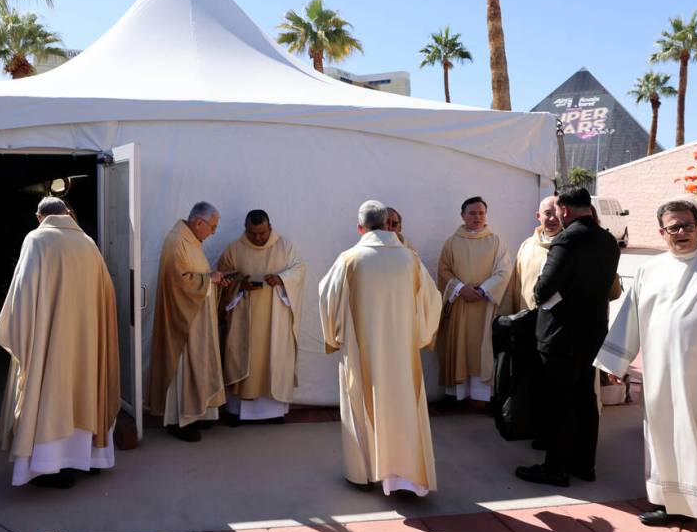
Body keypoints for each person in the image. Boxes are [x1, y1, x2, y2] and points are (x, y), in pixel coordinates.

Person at [595, 200, 697, 532]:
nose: (682, 232)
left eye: (688, 225)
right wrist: (617, 360)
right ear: (662, 232)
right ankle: (676, 505)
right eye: (674, 227)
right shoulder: (648, 270)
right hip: (663, 377)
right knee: (666, 437)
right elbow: (630, 318)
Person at [0, 197, 120, 489]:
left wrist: (23, 332)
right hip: (87, 343)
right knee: (84, 391)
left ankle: (50, 465)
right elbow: (107, 293)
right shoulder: (88, 243)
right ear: (67, 213)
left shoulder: (37, 239)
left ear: (39, 216)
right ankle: (89, 458)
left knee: (49, 392)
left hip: (51, 343)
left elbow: (23, 293)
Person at [319, 200, 442, 494]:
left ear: (360, 227)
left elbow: (327, 297)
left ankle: (364, 474)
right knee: (403, 404)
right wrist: (421, 335)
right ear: (389, 224)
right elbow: (431, 300)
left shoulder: (349, 259)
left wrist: (335, 336)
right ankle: (406, 478)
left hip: (362, 351)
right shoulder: (410, 259)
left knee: (361, 403)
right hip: (401, 353)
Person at [515, 186, 620, 487]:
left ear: (564, 210)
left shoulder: (567, 239)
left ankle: (555, 467)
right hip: (593, 329)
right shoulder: (608, 240)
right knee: (585, 398)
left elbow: (543, 289)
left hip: (561, 334)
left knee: (558, 400)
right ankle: (584, 464)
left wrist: (541, 291)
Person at [148, 202, 233, 442]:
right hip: (182, 322)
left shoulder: (191, 240)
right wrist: (209, 279)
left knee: (200, 364)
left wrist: (214, 280)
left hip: (196, 318)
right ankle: (180, 421)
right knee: (185, 367)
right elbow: (179, 282)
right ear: (199, 223)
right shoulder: (177, 241)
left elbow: (195, 275)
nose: (214, 232)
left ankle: (200, 413)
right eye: (212, 227)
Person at [217, 210, 306, 422]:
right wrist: (240, 285)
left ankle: (273, 413)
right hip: (243, 319)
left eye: (262, 233)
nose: (258, 238)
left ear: (270, 227)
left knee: (272, 360)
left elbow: (299, 270)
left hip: (276, 319)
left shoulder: (285, 247)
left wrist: (282, 279)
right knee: (242, 360)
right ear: (245, 229)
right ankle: (238, 413)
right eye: (252, 233)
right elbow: (221, 279)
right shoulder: (234, 249)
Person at [435, 196, 512, 404]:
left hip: (485, 305)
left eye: (481, 213)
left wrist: (481, 289)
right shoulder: (452, 242)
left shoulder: (496, 241)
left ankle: (482, 397)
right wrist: (460, 288)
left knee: (482, 349)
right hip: (460, 304)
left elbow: (504, 271)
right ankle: (456, 395)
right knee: (459, 348)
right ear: (462, 215)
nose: (477, 217)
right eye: (472, 213)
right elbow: (443, 270)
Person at [507, 196, 561, 312]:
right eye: (548, 213)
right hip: (527, 317)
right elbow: (515, 285)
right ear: (538, 216)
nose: (553, 218)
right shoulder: (527, 245)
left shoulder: (570, 246)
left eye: (557, 213)